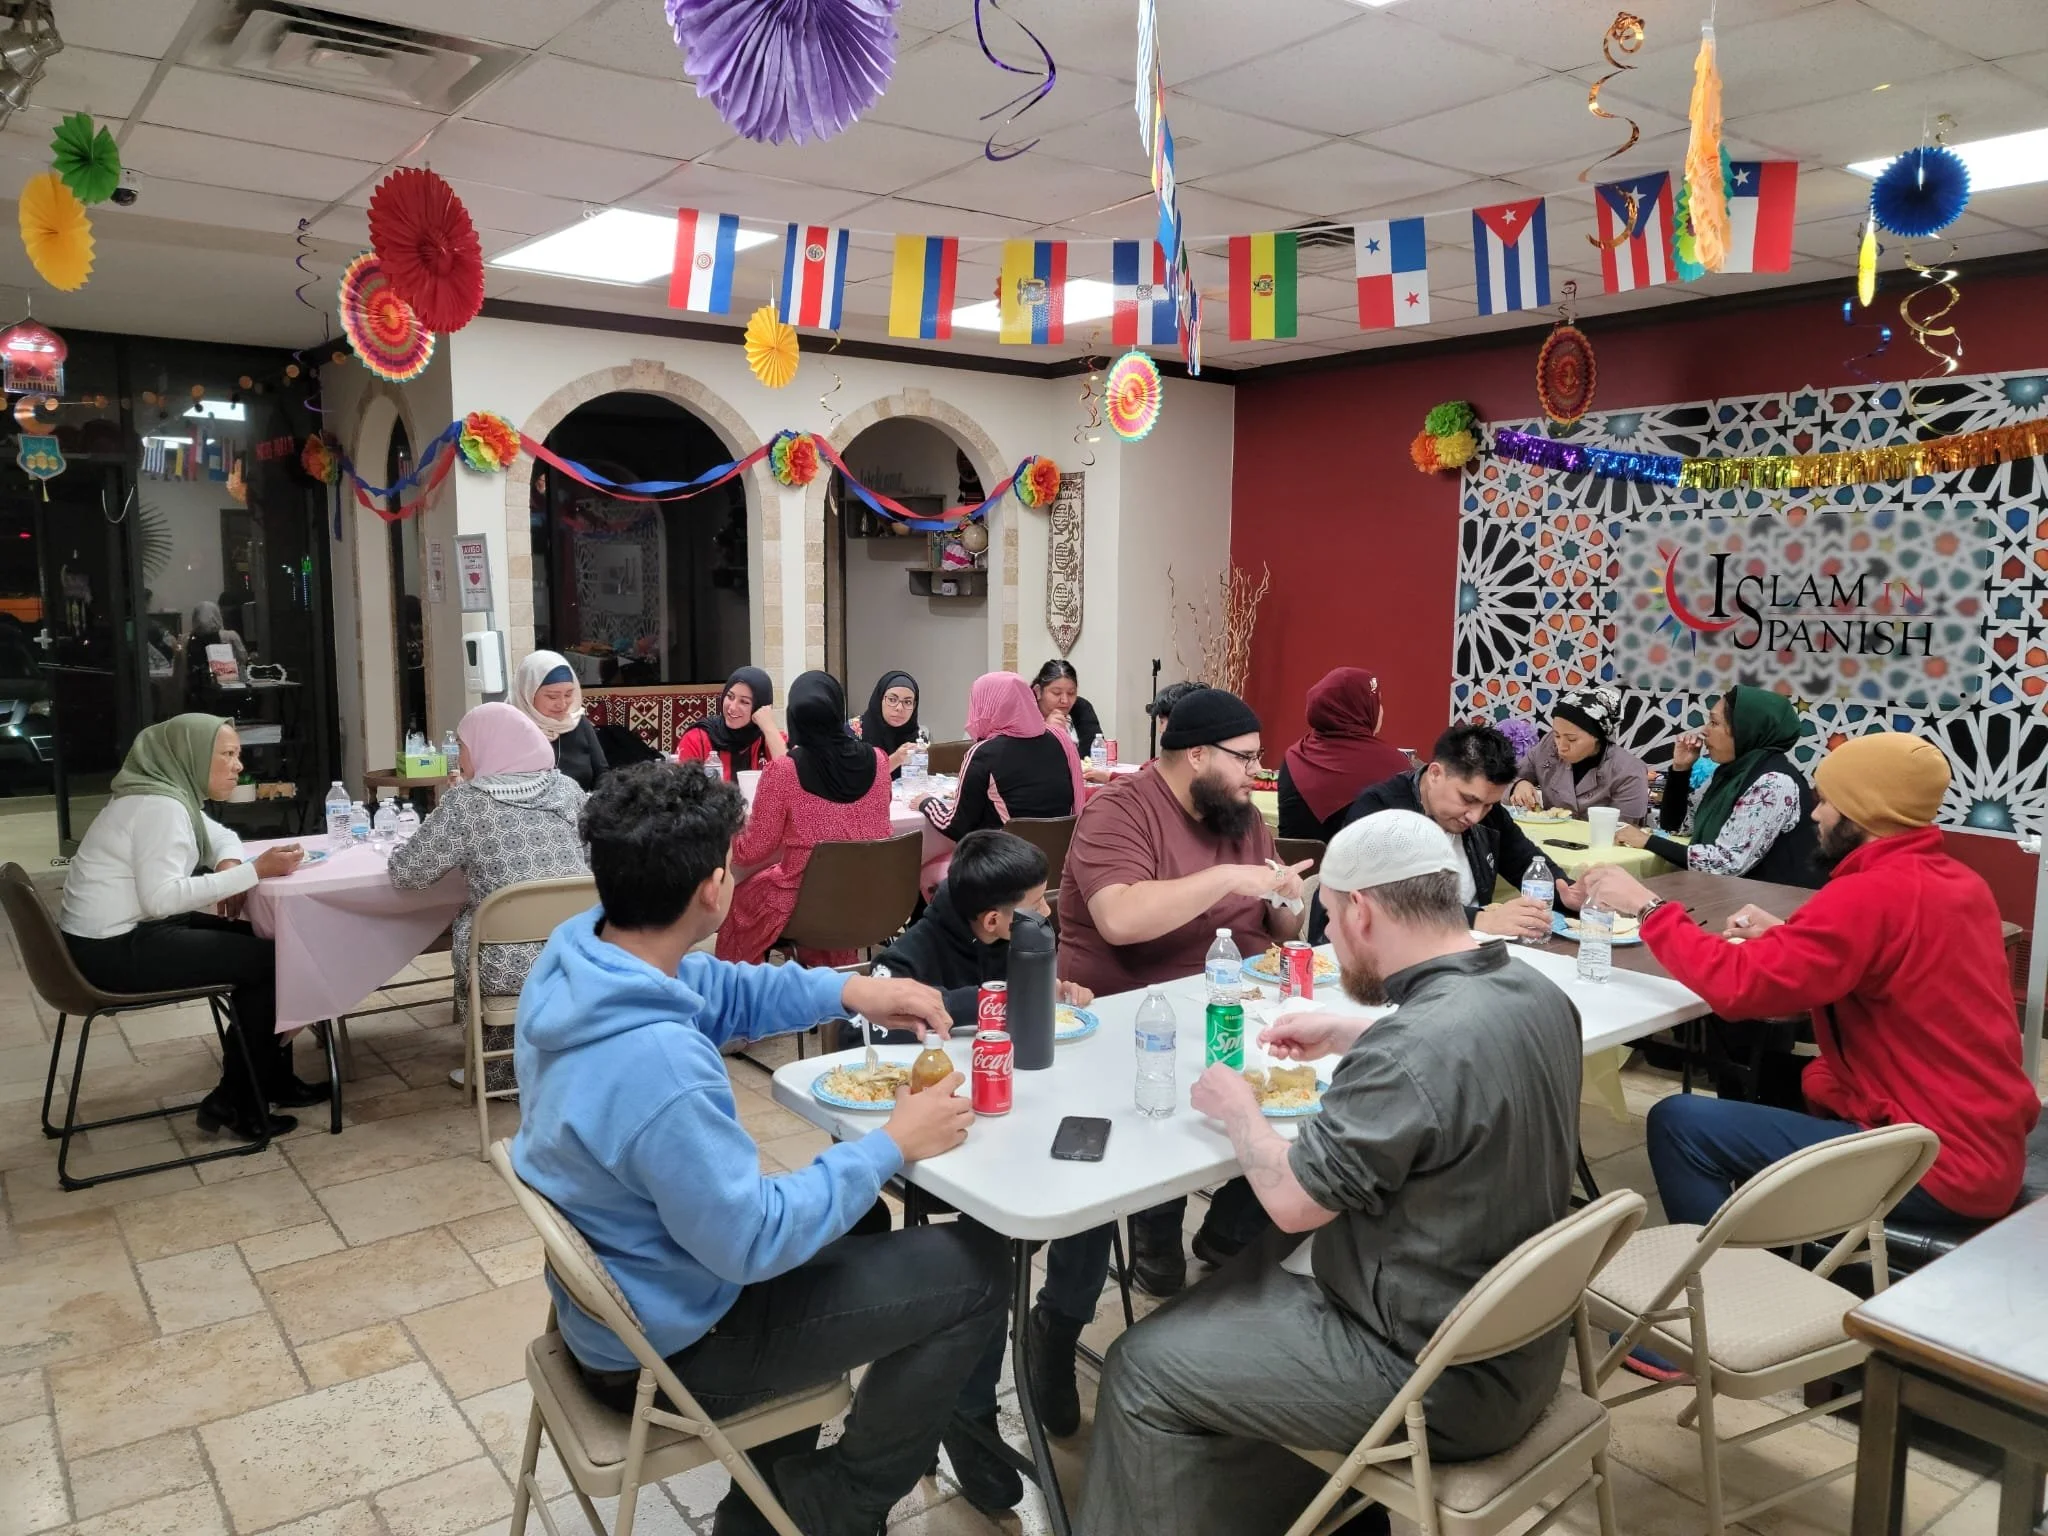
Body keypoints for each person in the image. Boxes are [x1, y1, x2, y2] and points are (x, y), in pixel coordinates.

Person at [509, 761, 1007, 1536]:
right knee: (978, 1268)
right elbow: (753, 1239)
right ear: (715, 889)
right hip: (672, 1351)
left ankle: (758, 1514)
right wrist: (889, 1144)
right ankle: (836, 1505)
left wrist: (850, 990)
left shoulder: (581, 960)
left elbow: (722, 989)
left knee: (864, 1220)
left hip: (621, 1306)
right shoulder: (659, 1067)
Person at [1078, 810, 1583, 1536]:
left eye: (1332, 923)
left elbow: (1292, 1200)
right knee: (1257, 1267)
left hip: (1436, 1379)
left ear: (1362, 913)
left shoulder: (1407, 1053)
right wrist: (1357, 1031)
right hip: (1522, 1345)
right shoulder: (1539, 995)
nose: (1331, 944)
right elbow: (1454, 1045)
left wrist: (1239, 1107)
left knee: (1140, 1366)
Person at [1583, 732, 2041, 1232]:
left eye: (1827, 801)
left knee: (1680, 1122)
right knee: (1783, 1077)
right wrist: (1788, 936)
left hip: (1936, 1165)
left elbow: (1739, 986)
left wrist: (1648, 908)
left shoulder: (1868, 894)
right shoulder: (1959, 883)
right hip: (1986, 1144)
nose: (1816, 814)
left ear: (1863, 813)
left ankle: (1719, 1272)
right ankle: (1776, 1234)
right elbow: (1882, 959)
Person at [1036, 688, 1312, 1428]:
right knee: (1096, 1187)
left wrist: (1286, 900)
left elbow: (1277, 926)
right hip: (1129, 1023)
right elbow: (1120, 919)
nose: (1257, 774)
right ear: (1196, 756)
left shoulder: (1239, 813)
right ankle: (1055, 1326)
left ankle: (1224, 1236)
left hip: (1228, 1012)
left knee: (1311, 1115)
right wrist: (1230, 879)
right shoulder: (1119, 812)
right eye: (1245, 759)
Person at [58, 714, 314, 1139]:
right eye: (227, 754)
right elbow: (161, 898)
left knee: (266, 938)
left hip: (106, 938)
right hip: (111, 951)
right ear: (189, 756)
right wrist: (253, 872)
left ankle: (266, 1082)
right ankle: (239, 1099)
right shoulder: (160, 808)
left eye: (238, 755)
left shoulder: (164, 796)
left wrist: (230, 864)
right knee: (274, 963)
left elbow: (222, 837)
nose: (238, 766)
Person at [387, 703, 588, 1093]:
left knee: (472, 926)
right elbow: (591, 862)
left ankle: (501, 1072)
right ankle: (561, 1066)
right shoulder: (568, 789)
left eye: (462, 748)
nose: (460, 759)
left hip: (504, 967)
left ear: (485, 747)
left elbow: (408, 873)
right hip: (578, 953)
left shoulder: (467, 803)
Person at [1314, 723, 1580, 944]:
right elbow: (1385, 902)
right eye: (1467, 799)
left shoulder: (1489, 815)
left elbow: (1527, 862)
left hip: (1459, 954)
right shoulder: (1381, 811)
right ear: (1435, 774)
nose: (1475, 816)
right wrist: (1480, 919)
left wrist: (1569, 894)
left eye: (1488, 805)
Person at [715, 672, 892, 965]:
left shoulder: (785, 771)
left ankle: (741, 986)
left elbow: (753, 850)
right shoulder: (879, 760)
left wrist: (725, 829)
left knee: (738, 901)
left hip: (803, 899)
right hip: (863, 894)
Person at [870, 828, 1094, 1037]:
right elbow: (865, 1030)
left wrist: (1056, 994)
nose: (1046, 911)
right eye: (1036, 906)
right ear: (992, 920)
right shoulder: (905, 959)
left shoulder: (1019, 937)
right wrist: (987, 1001)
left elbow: (1031, 995)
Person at [1614, 685, 1819, 887]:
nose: (1704, 731)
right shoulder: (1729, 774)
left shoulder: (1773, 783)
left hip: (1778, 901)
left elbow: (1727, 863)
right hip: (1733, 894)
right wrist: (1680, 771)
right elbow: (1678, 826)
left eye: (1714, 723)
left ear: (1744, 730)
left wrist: (1648, 841)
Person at [914, 672, 1084, 843]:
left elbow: (956, 826)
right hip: (1058, 853)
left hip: (1005, 856)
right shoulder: (1060, 741)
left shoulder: (983, 754)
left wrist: (927, 803)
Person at [1277, 666, 1409, 843]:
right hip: (1360, 861)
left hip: (1297, 861)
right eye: (1377, 702)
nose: (1381, 710)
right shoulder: (1395, 766)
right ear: (1361, 708)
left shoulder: (1293, 757)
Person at [1507, 685, 1650, 820]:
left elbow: (1624, 830)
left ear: (1597, 736)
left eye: (1571, 739)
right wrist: (1518, 784)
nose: (1561, 746)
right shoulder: (1548, 745)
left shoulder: (1629, 772)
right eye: (1557, 735)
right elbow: (1505, 777)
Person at [512, 650, 609, 791]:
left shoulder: (577, 723)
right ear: (528, 694)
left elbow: (603, 774)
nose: (562, 704)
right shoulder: (511, 729)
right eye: (552, 697)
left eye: (568, 694)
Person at [677, 666, 788, 779]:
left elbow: (790, 779)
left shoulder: (771, 739)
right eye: (730, 697)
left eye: (744, 702)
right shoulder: (697, 738)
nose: (732, 707)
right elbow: (681, 785)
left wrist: (769, 727)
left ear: (760, 706)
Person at [1032, 659, 1113, 782]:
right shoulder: (1025, 714)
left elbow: (1093, 755)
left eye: (1071, 693)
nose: (1065, 700)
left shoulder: (1081, 708)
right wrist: (1047, 732)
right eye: (1056, 693)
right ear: (1038, 691)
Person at [851, 669, 921, 778]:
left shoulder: (914, 734)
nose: (899, 708)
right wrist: (895, 759)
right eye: (892, 700)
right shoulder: (854, 729)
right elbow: (852, 779)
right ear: (880, 700)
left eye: (907, 702)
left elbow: (916, 779)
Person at [184, 599, 250, 712]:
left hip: (197, 689)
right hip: (229, 686)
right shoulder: (230, 636)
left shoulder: (186, 639)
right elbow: (243, 658)